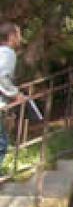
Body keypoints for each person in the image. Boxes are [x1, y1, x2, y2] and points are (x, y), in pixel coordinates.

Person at [0, 22, 26, 174]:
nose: (21, 38)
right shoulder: (8, 53)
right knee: (1, 144)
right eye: (19, 34)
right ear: (11, 37)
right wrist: (15, 94)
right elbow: (2, 77)